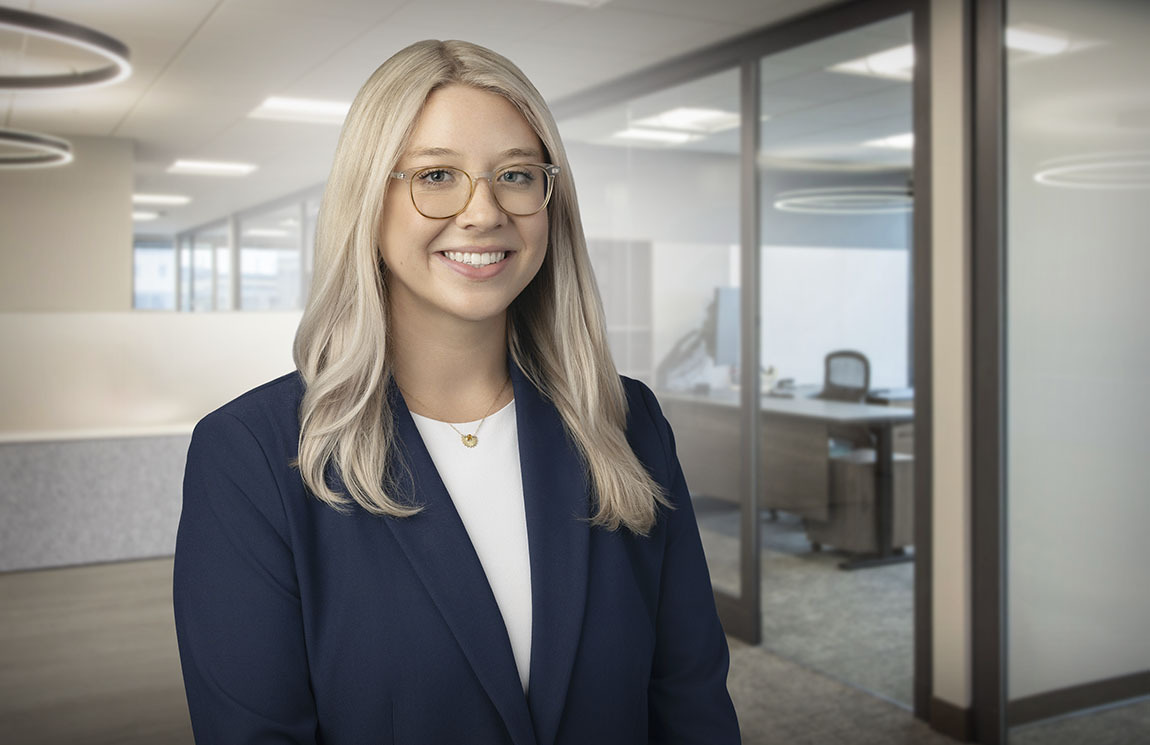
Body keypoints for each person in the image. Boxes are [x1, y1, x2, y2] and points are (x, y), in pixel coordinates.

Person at [173, 39, 740, 745]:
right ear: (367, 200)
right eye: (437, 175)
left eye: (515, 175)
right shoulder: (250, 454)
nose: (483, 212)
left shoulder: (627, 422)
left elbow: (688, 700)